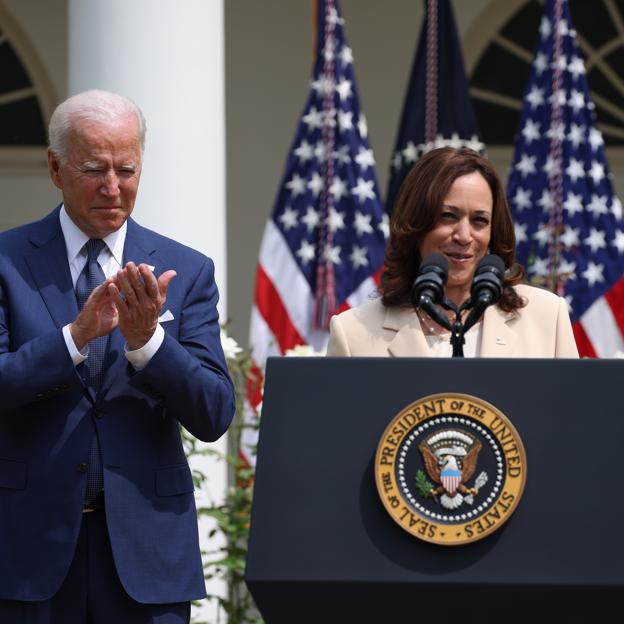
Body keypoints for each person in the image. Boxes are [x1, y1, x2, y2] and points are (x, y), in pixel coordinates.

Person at [0, 90, 236, 623]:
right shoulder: (7, 261)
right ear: (55, 168)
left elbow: (214, 412)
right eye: (93, 169)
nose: (112, 188)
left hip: (145, 555)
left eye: (126, 170)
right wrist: (74, 338)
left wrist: (148, 343)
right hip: (28, 551)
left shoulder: (186, 269)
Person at [327, 147, 579, 358]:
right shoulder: (353, 334)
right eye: (448, 216)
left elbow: (571, 417)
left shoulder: (547, 317)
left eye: (480, 220)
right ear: (415, 224)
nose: (464, 236)